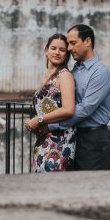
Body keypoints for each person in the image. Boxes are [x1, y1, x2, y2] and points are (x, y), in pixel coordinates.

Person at [50, 24, 110, 170]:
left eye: (73, 43)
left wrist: (51, 124)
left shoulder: (100, 72)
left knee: (92, 187)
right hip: (72, 137)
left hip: (93, 140)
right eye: (68, 44)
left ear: (87, 41)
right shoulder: (74, 70)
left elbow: (85, 109)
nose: (69, 48)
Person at [25, 33, 76, 172]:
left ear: (67, 54)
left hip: (60, 141)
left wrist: (39, 119)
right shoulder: (47, 76)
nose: (57, 52)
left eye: (62, 50)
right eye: (53, 48)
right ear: (46, 50)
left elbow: (68, 109)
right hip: (44, 139)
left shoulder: (65, 76)